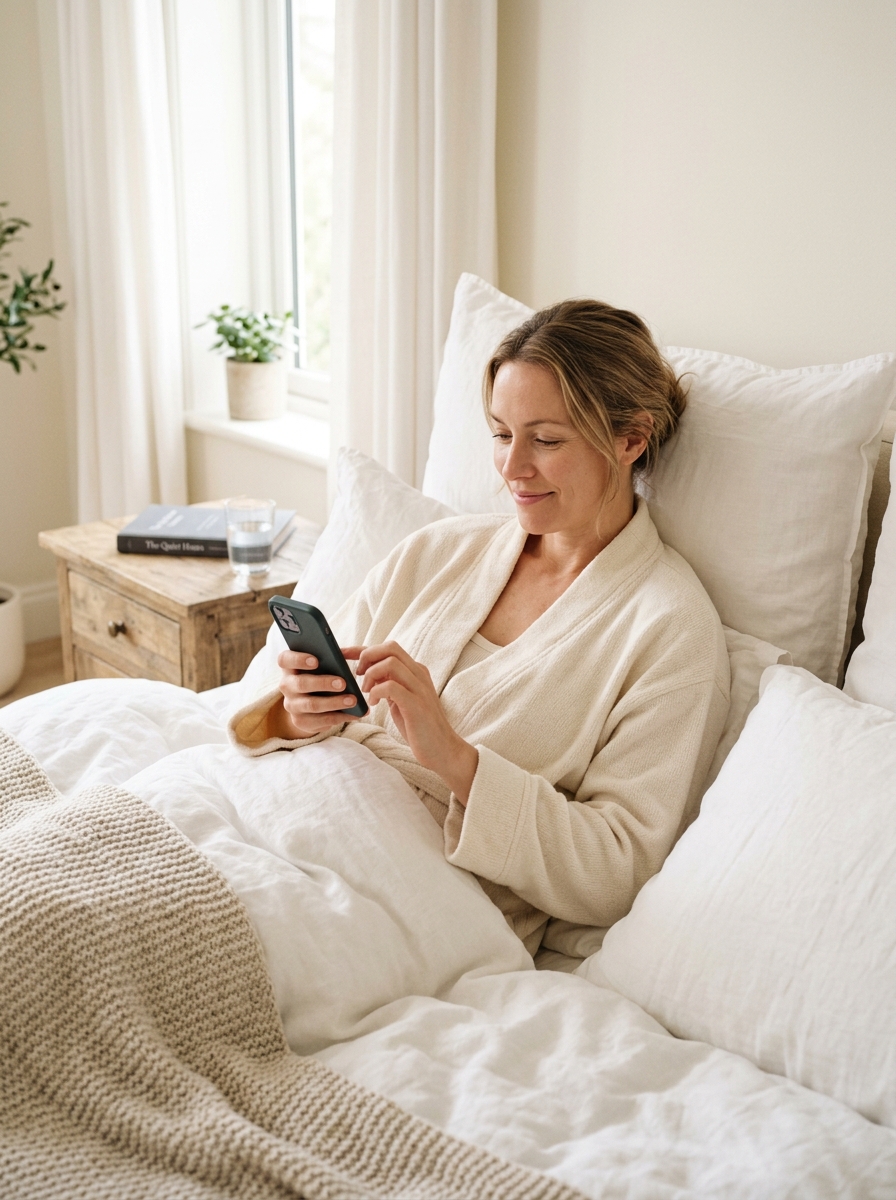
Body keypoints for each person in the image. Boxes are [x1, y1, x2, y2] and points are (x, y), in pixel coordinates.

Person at [228, 300, 730, 956]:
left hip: (404, 902)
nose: (512, 468)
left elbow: (617, 865)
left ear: (630, 438)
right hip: (285, 816)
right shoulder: (442, 549)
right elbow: (295, 712)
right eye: (500, 433)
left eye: (546, 440)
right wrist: (301, 710)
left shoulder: (669, 628)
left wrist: (457, 761)